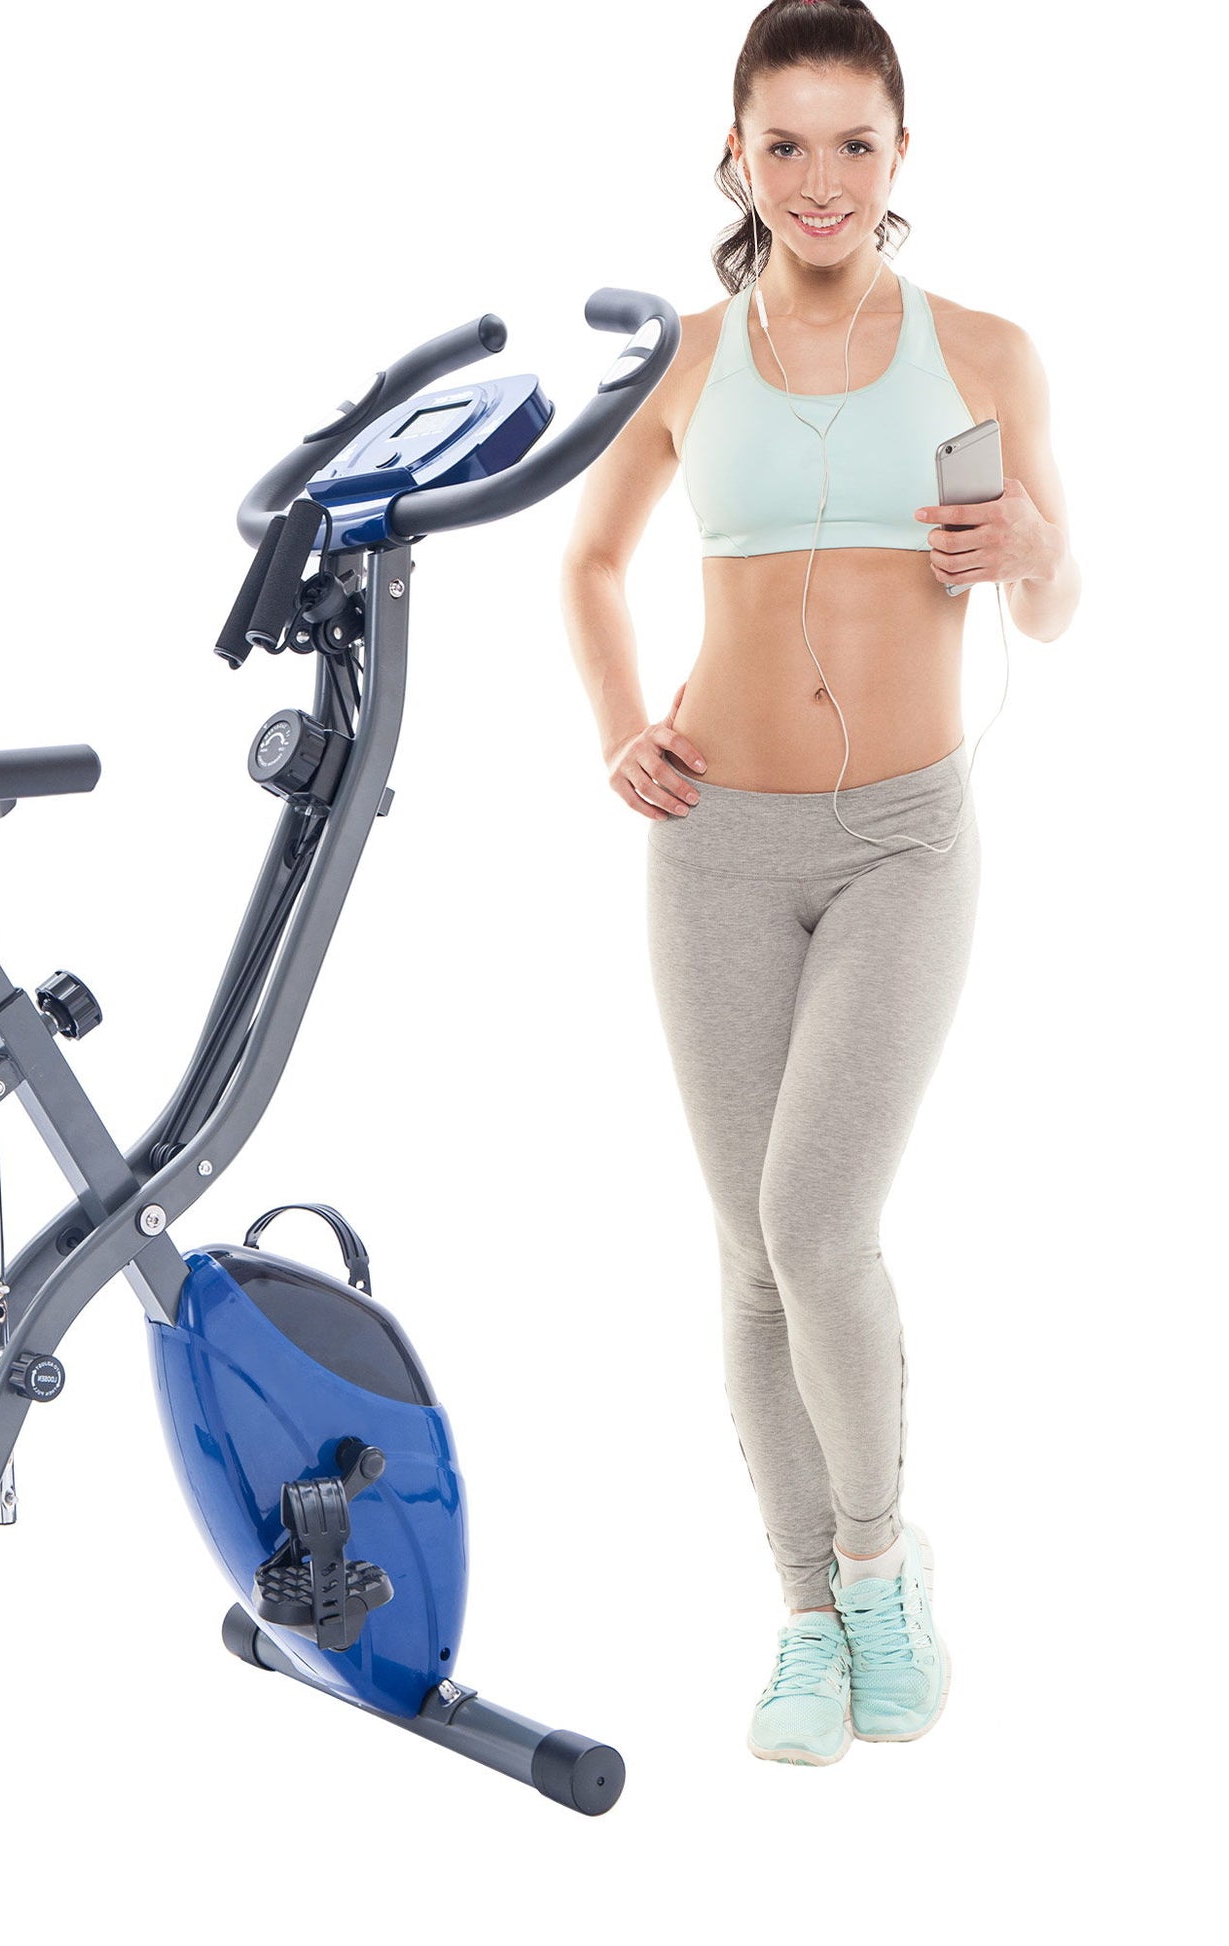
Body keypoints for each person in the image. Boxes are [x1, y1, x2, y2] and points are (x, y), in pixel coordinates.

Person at [560, 0, 1079, 1766]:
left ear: (898, 152)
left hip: (899, 843)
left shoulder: (985, 351)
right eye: (781, 143)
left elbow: (1056, 606)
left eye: (852, 142)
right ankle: (800, 1611)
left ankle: (876, 1564)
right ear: (735, 155)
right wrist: (619, 725)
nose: (818, 178)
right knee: (747, 1250)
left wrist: (1031, 548)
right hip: (713, 843)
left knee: (813, 1222)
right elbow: (588, 559)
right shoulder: (685, 358)